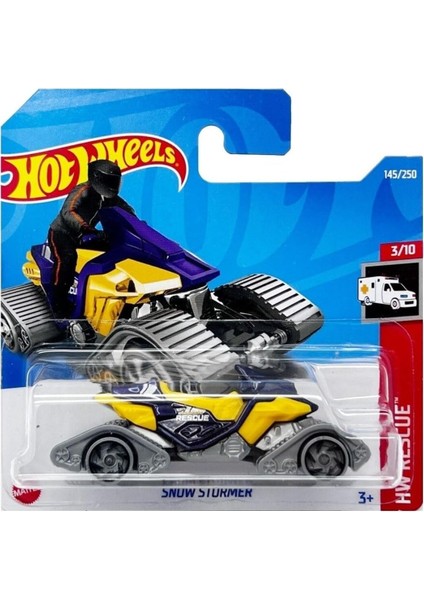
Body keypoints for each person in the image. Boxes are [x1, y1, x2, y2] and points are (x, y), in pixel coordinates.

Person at [48, 159, 135, 319]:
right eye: (110, 180)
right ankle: (58, 305)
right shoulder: (82, 190)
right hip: (62, 233)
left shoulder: (109, 198)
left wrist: (137, 225)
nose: (114, 184)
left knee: (117, 251)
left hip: (87, 235)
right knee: (67, 260)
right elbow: (68, 211)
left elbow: (126, 211)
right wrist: (84, 227)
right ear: (98, 178)